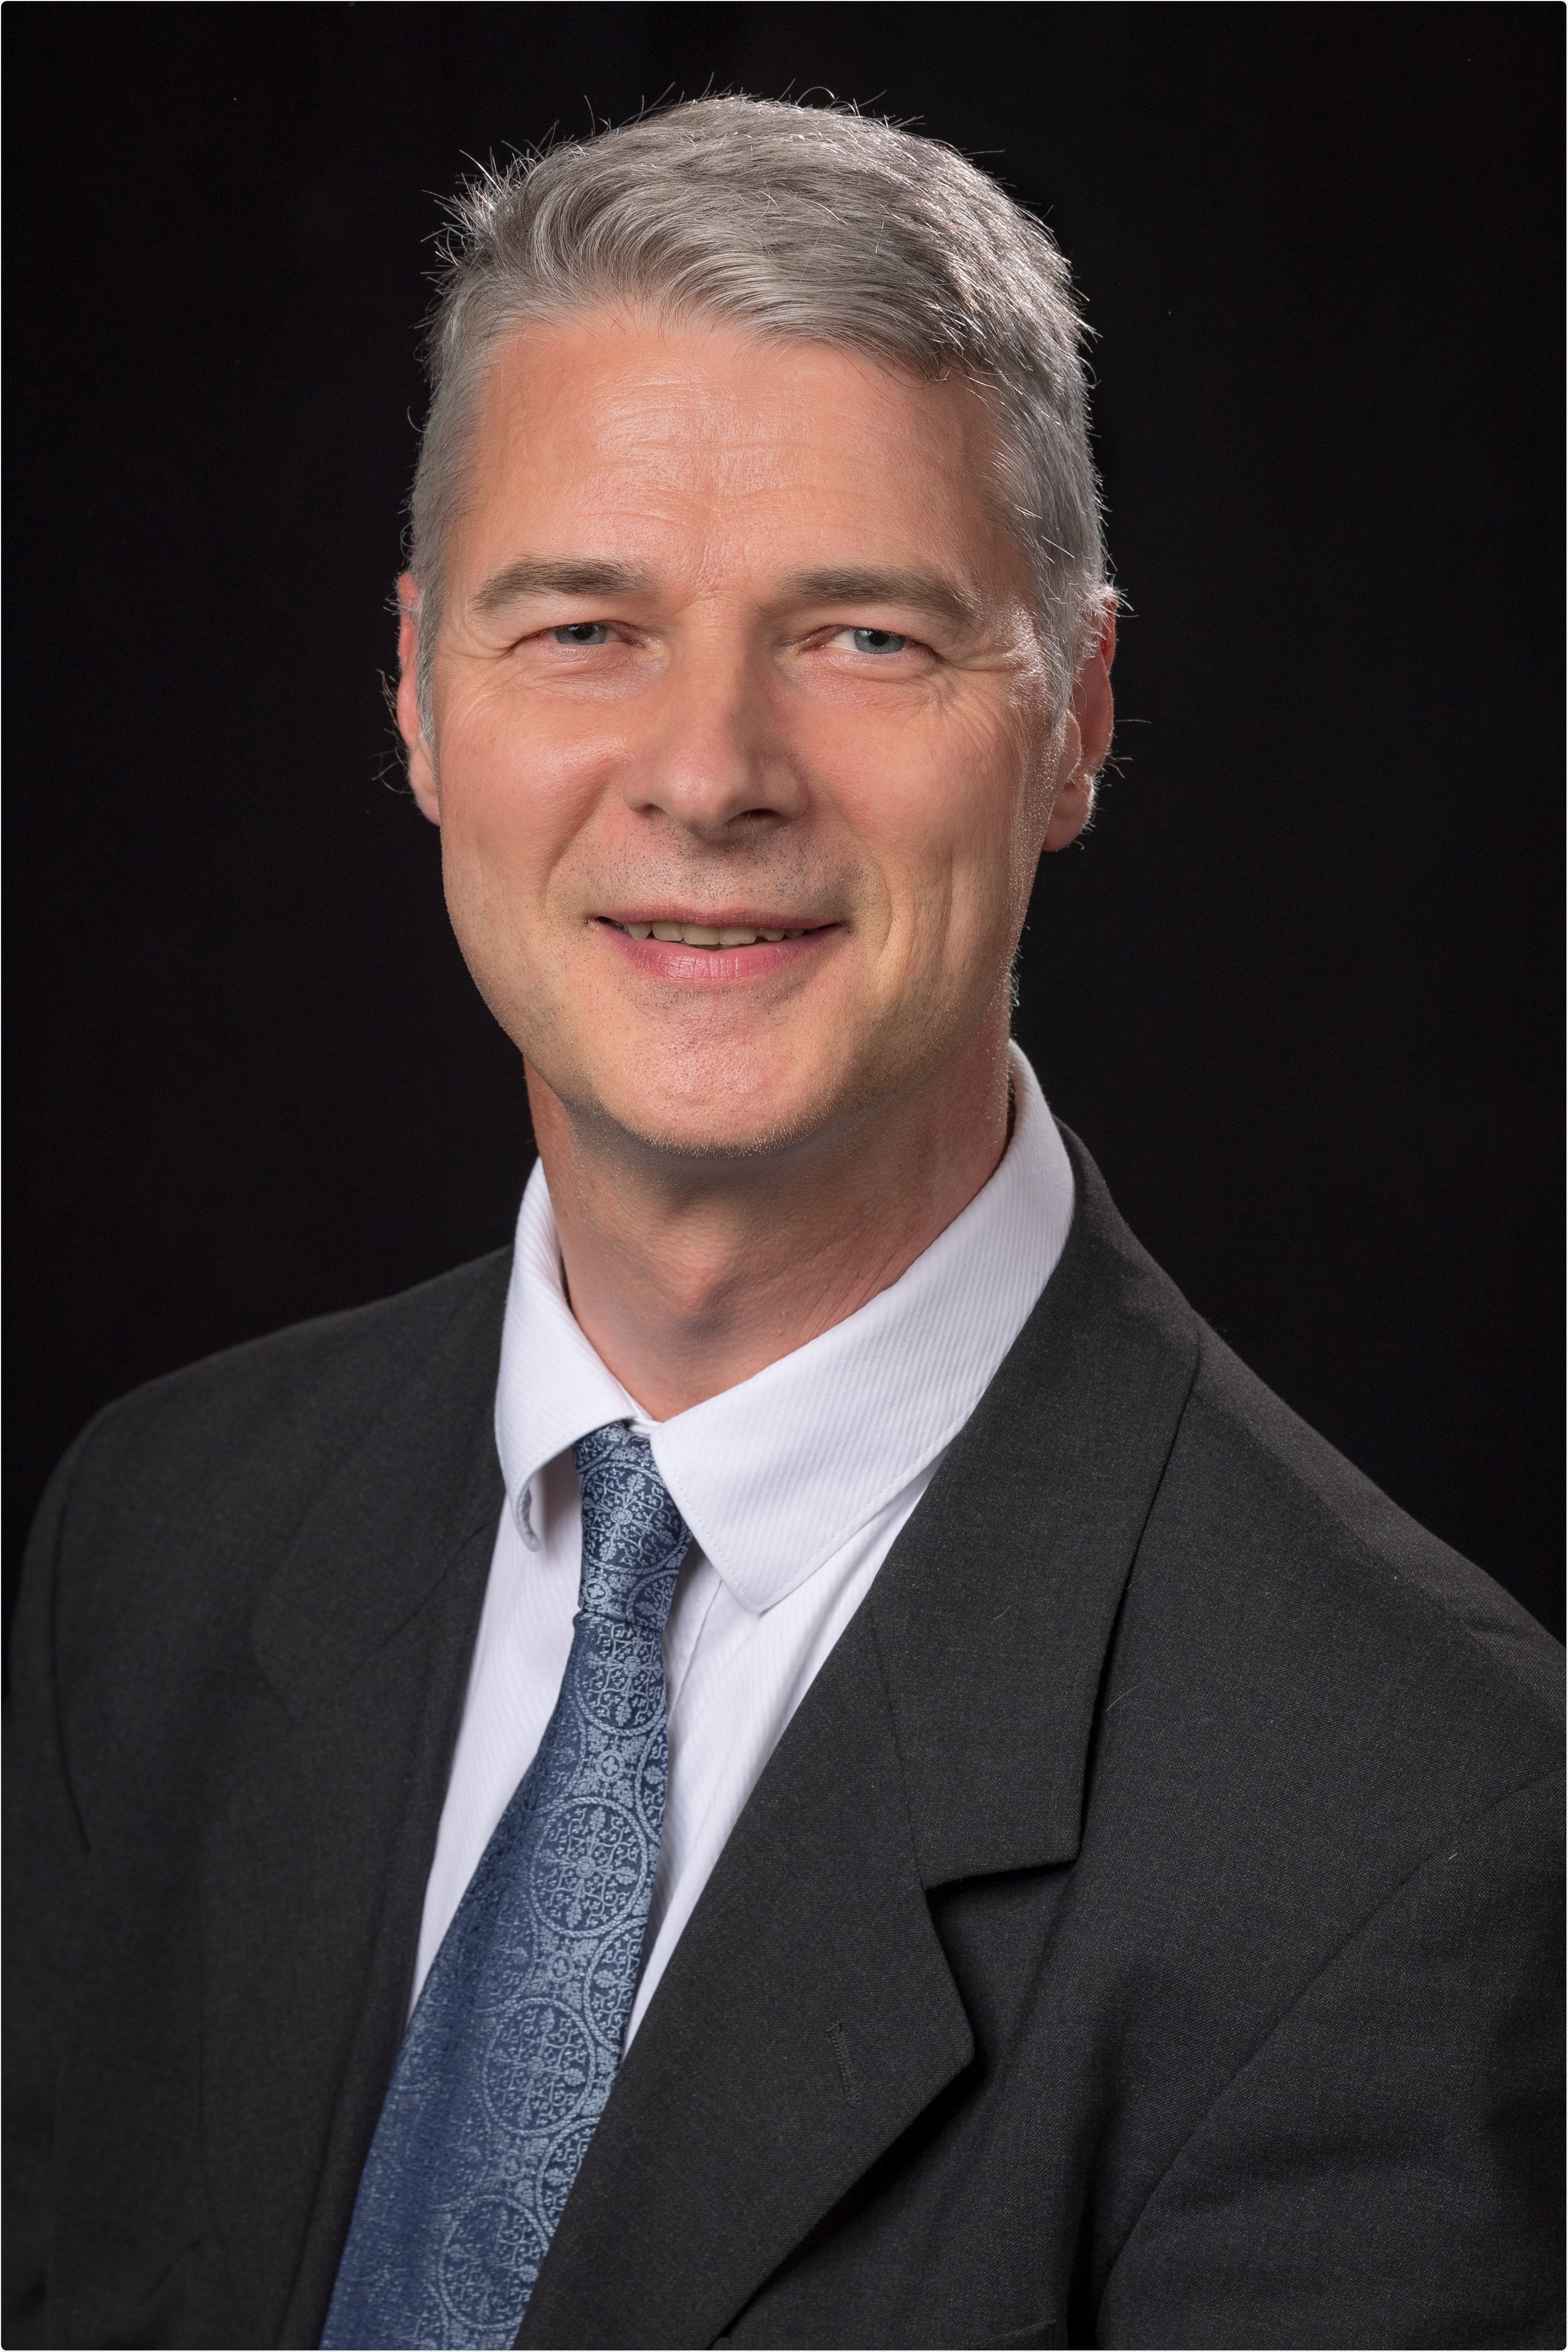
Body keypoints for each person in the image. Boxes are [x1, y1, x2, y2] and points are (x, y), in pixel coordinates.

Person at [5, 94, 1560, 2352]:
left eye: (863, 636)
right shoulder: (153, 1549)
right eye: (583, 627)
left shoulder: (1422, 1830)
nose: (712, 772)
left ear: (1077, 720)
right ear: (419, 694)